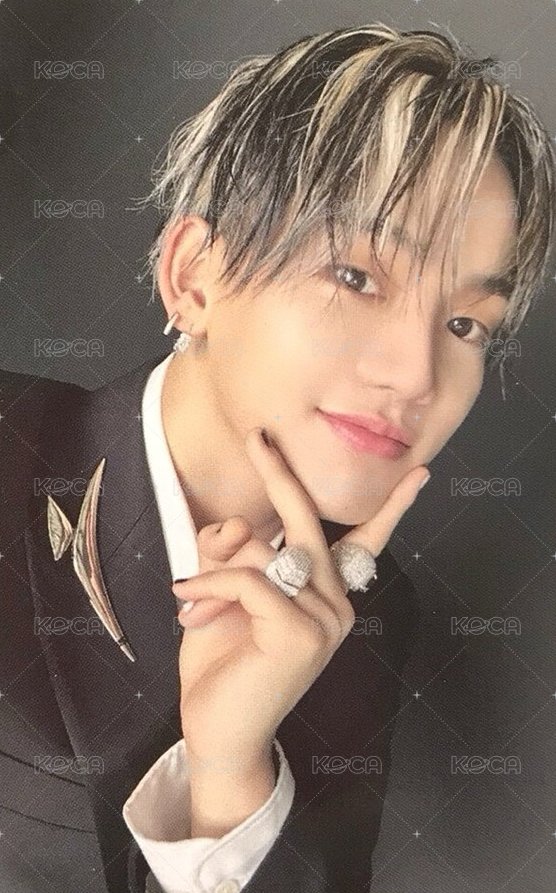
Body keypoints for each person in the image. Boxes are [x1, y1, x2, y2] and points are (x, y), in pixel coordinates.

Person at [1, 21, 554, 893]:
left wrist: (228, 773)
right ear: (194, 276)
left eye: (463, 324)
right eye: (357, 277)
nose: (416, 375)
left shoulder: (366, 613)